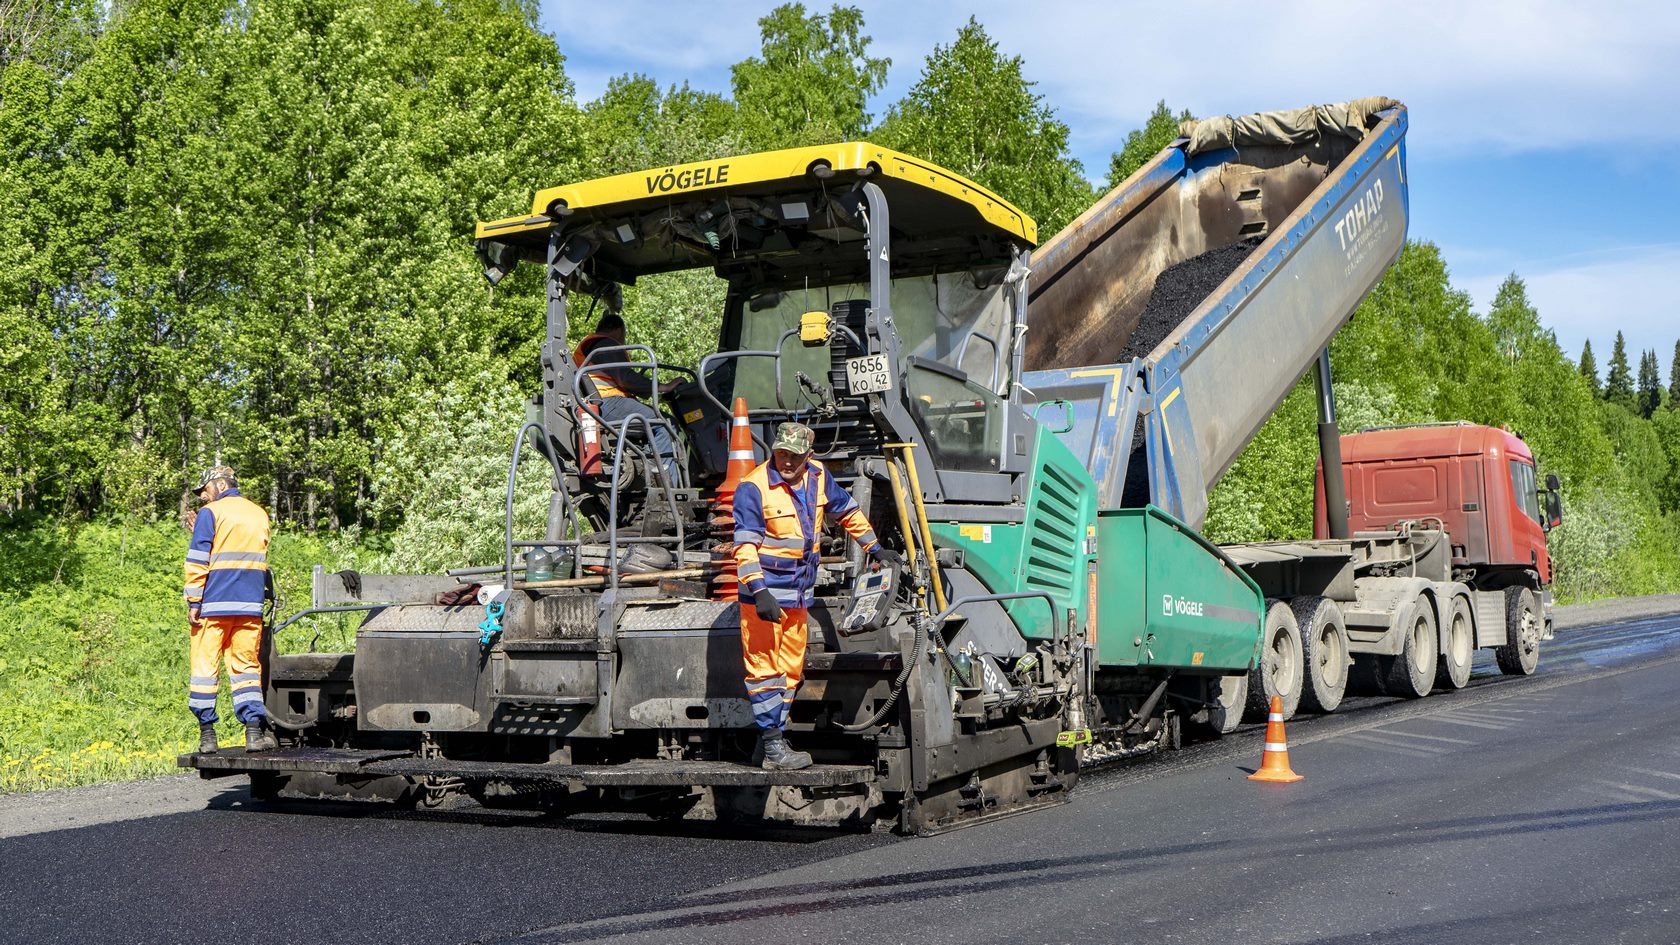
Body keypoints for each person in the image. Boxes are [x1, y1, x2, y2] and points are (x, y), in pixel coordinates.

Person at [731, 423, 902, 769]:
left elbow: (848, 511)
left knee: (790, 671)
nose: (787, 462)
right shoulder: (753, 487)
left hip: (797, 598)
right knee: (765, 671)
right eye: (781, 454)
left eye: (794, 456)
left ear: (809, 455)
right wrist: (759, 592)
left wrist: (875, 548)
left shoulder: (818, 476)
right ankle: (773, 746)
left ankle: (769, 743)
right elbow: (745, 547)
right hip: (764, 600)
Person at [183, 466, 278, 754]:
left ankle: (207, 736)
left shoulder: (211, 514)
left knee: (204, 668)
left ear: (220, 484)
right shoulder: (258, 513)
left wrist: (193, 601)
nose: (202, 497)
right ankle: (252, 733)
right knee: (246, 669)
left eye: (204, 491)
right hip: (249, 606)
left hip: (213, 606)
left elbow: (199, 559)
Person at [573, 313, 683, 484]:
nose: (623, 341)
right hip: (608, 402)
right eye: (623, 335)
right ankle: (669, 489)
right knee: (665, 424)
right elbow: (626, 378)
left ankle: (649, 474)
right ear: (618, 330)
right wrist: (663, 387)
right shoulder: (605, 344)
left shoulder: (593, 348)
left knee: (655, 424)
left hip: (601, 404)